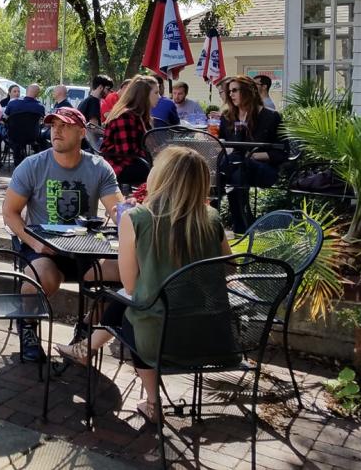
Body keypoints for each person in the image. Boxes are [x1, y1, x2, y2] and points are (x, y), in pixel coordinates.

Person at [53, 146, 232, 424]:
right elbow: (228, 266)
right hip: (214, 336)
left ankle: (152, 402)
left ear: (160, 175)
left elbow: (131, 285)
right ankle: (85, 349)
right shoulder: (211, 218)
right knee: (130, 305)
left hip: (160, 342)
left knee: (132, 308)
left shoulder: (137, 218)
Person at [2, 106, 124, 361]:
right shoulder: (33, 165)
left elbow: (116, 210)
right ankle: (28, 328)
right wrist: (33, 243)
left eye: (64, 126)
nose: (56, 131)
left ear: (81, 132)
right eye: (53, 126)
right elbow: (10, 212)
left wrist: (133, 220)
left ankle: (87, 329)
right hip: (44, 248)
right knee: (43, 276)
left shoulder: (98, 167)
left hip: (85, 251)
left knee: (126, 273)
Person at [220, 75, 285, 233]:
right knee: (235, 168)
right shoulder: (228, 117)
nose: (231, 95)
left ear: (249, 91)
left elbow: (282, 152)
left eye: (235, 90)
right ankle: (242, 227)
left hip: (263, 169)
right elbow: (224, 145)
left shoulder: (271, 117)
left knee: (236, 166)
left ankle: (236, 225)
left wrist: (255, 156)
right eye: (229, 92)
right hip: (236, 169)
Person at [100, 75, 158, 187]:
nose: (159, 96)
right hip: (119, 168)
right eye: (156, 93)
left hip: (133, 163)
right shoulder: (125, 116)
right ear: (144, 95)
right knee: (165, 173)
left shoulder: (139, 115)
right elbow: (127, 153)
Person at [3, 83, 47, 163]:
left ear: (26, 92)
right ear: (38, 94)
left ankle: (17, 160)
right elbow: (44, 121)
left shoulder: (12, 104)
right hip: (32, 136)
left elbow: (4, 119)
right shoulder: (40, 107)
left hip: (14, 136)